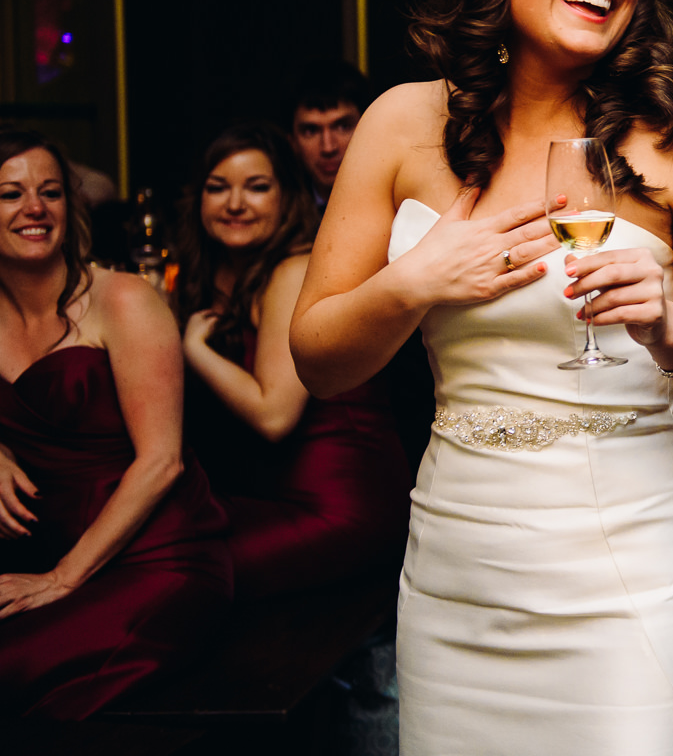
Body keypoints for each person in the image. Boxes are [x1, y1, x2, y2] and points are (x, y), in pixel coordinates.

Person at [290, 0, 673, 755]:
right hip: (461, 568)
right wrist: (414, 283)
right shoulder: (401, 123)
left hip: (639, 559)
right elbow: (317, 359)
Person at [0, 130, 232, 718]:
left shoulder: (122, 299)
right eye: (10, 193)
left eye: (50, 192)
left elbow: (163, 461)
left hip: (154, 559)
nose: (34, 208)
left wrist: (60, 578)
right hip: (42, 553)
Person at [175, 122, 410, 602]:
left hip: (338, 503)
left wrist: (194, 349)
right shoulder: (214, 275)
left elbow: (273, 415)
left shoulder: (294, 270)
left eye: (257, 188)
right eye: (217, 188)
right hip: (266, 494)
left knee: (187, 575)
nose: (235, 204)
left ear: (286, 197)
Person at [290, 60, 372, 206]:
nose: (328, 147)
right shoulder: (282, 215)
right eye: (311, 131)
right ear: (292, 141)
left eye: (343, 127)